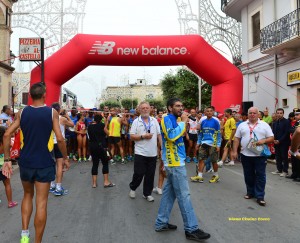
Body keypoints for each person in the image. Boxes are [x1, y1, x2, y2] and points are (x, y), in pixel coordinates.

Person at [2, 82, 69, 243]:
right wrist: (65, 158)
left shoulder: (22, 113)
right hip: (44, 162)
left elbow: (6, 135)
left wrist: (7, 160)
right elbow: (59, 138)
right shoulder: (52, 112)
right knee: (41, 202)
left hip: (26, 161)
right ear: (44, 94)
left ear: (30, 95)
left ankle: (24, 234)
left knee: (27, 195)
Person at [155, 98, 210, 241]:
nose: (181, 108)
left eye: (181, 106)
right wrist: (183, 122)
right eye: (177, 106)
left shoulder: (175, 119)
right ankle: (191, 229)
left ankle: (161, 223)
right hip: (174, 164)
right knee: (184, 196)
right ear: (169, 107)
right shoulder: (167, 118)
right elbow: (172, 136)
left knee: (169, 194)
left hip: (175, 161)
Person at [232, 107, 274, 206]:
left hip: (260, 155)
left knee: (260, 175)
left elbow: (271, 138)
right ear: (247, 114)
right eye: (250, 113)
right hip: (245, 154)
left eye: (254, 113)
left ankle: (260, 196)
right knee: (248, 175)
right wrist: (234, 151)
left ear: (258, 114)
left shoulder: (264, 125)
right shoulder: (242, 125)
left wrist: (263, 141)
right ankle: (250, 192)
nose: (252, 114)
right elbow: (237, 138)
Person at [129, 101, 161, 202]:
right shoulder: (136, 121)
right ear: (139, 110)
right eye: (143, 108)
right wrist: (143, 136)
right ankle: (133, 187)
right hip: (140, 152)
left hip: (152, 153)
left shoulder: (154, 121)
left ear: (150, 109)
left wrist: (162, 148)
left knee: (150, 175)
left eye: (147, 108)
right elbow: (132, 136)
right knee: (139, 173)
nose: (145, 109)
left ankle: (147, 193)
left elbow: (159, 135)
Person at [191, 106, 221, 183]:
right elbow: (201, 133)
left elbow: (218, 134)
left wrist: (218, 145)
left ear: (213, 112)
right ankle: (200, 176)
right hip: (204, 143)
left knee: (214, 161)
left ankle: (216, 175)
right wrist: (198, 143)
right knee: (201, 159)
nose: (209, 112)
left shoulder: (216, 121)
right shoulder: (203, 121)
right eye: (207, 111)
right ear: (205, 112)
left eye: (210, 111)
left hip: (213, 144)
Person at [49, 103, 74, 196]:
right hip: (59, 143)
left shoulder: (49, 119)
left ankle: (52, 185)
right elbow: (72, 124)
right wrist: (67, 116)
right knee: (60, 165)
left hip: (50, 143)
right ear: (59, 110)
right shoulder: (62, 119)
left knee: (52, 164)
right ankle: (58, 187)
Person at [87, 114, 115, 188]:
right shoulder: (102, 125)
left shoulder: (89, 126)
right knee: (105, 163)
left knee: (95, 164)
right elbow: (108, 134)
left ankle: (94, 183)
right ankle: (106, 182)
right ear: (101, 119)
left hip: (92, 146)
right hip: (102, 146)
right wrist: (106, 124)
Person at [0, 126, 18, 208]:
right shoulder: (5, 143)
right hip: (4, 165)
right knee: (7, 184)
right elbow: (12, 146)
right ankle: (10, 202)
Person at [271, 108, 291, 177]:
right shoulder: (275, 122)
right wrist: (274, 139)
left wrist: (279, 140)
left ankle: (285, 171)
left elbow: (286, 133)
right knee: (278, 156)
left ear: (283, 114)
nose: (279, 114)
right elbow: (273, 132)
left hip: (284, 142)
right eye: (278, 113)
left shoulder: (287, 122)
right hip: (276, 142)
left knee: (284, 157)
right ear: (276, 114)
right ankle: (279, 169)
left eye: (280, 113)